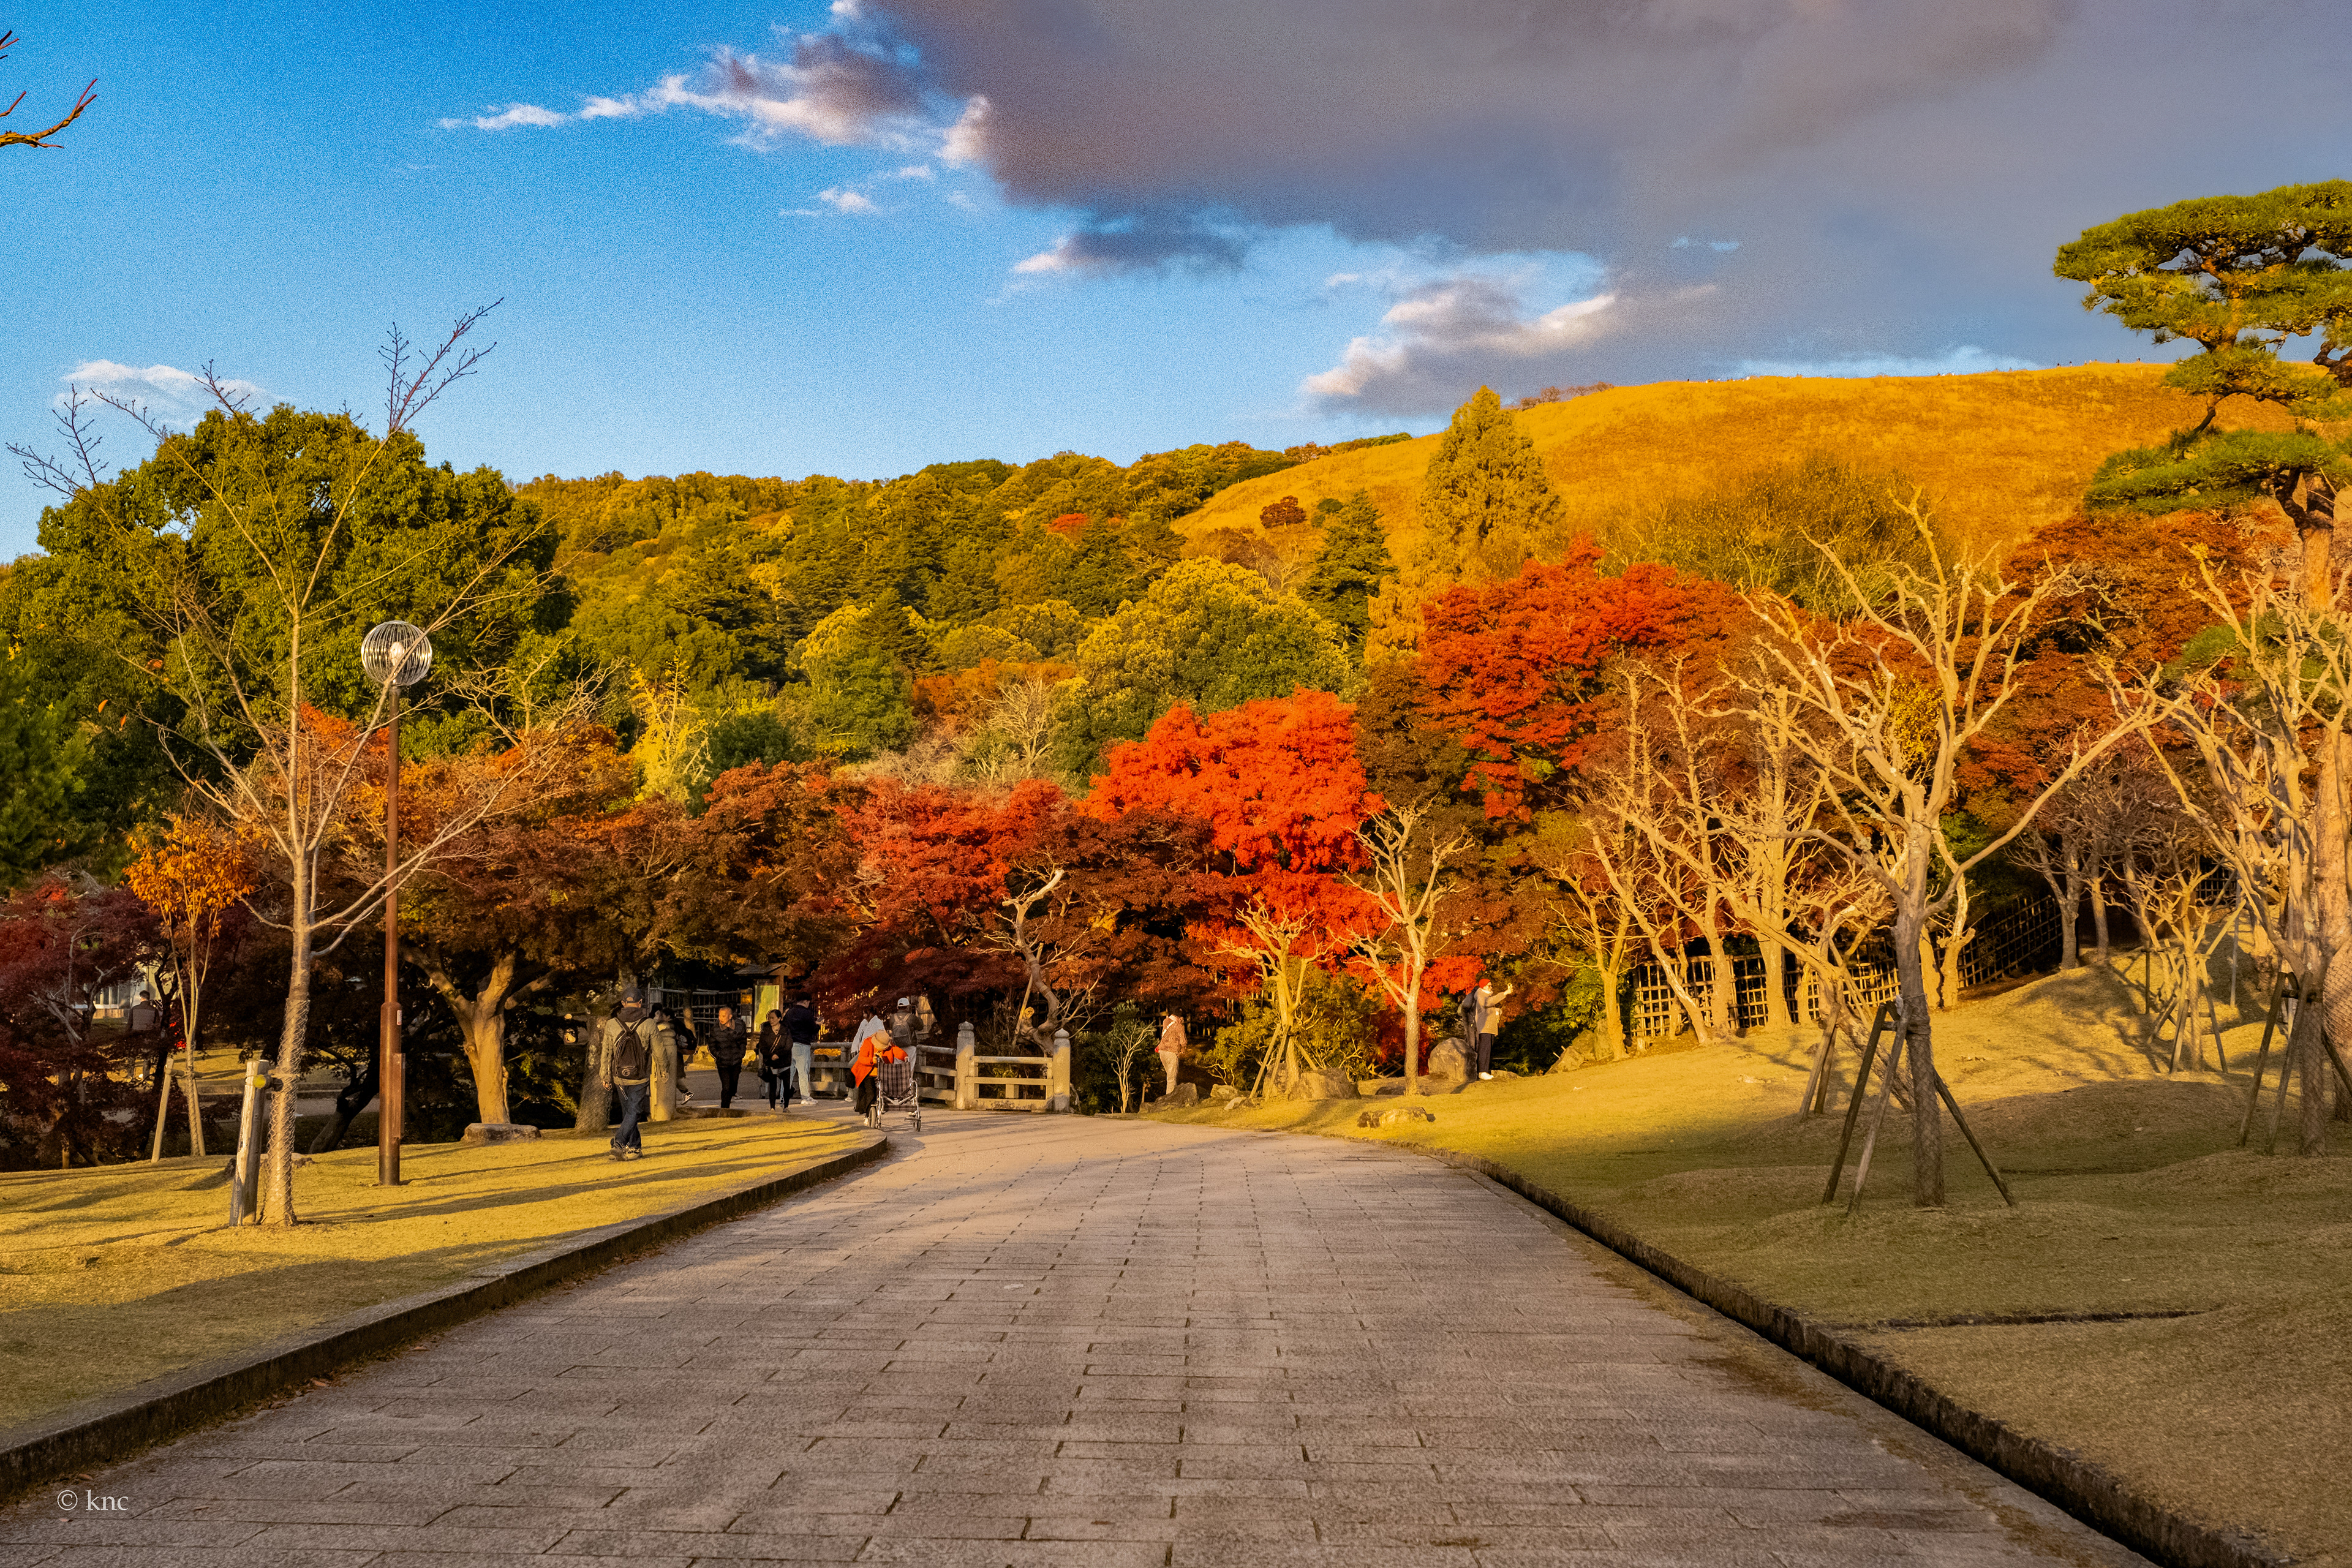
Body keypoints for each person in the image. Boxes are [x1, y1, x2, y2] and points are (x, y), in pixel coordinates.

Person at [601, 987, 676, 1161]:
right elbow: (659, 1051)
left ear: (622, 1003)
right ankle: (621, 1143)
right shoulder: (649, 1023)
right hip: (640, 1075)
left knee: (629, 1111)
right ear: (641, 1003)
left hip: (619, 1076)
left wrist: (605, 1075)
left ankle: (634, 1148)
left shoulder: (611, 1024)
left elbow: (606, 1052)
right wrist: (664, 1070)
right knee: (633, 1111)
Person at [1471, 976, 1513, 1080]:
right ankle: (1482, 1072)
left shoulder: (1486, 996)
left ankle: (1484, 1070)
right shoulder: (1481, 994)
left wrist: (1497, 1011)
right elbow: (1488, 1003)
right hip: (1485, 1027)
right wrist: (1505, 993)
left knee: (1488, 1049)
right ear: (1484, 986)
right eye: (1489, 985)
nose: (1491, 987)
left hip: (1489, 1027)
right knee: (1484, 1049)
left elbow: (1490, 1006)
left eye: (1491, 985)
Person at [850, 1010, 889, 1118]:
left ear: (871, 1012)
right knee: (865, 1086)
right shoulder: (864, 1024)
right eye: (863, 1012)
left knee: (873, 1090)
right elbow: (858, 1037)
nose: (864, 1014)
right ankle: (864, 1109)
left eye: (866, 1012)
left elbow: (885, 1041)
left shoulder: (877, 1022)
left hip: (876, 1063)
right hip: (864, 1059)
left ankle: (872, 1110)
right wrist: (855, 1049)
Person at [708, 1005, 748, 1110]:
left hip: (736, 1060)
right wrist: (718, 1055)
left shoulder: (739, 1026)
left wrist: (741, 1053)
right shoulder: (716, 1029)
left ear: (730, 1017)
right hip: (723, 1062)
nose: (721, 1018)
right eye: (720, 1016)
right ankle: (724, 1109)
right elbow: (711, 1045)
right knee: (726, 1087)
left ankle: (729, 1100)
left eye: (723, 1016)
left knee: (733, 1085)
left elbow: (743, 1040)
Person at [783, 993, 820, 1105]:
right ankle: (805, 1097)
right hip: (802, 1044)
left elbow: (784, 1028)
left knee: (789, 1072)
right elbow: (813, 1030)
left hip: (790, 1045)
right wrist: (818, 1024)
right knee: (803, 1072)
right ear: (806, 1001)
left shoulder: (789, 1013)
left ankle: (784, 1096)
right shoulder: (806, 1013)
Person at [756, 1010, 791, 1110]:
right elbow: (762, 1046)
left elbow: (789, 1045)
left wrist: (778, 1054)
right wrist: (771, 1055)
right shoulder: (766, 1031)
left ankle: (786, 1106)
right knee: (773, 1085)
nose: (771, 1020)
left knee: (786, 1085)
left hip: (784, 1060)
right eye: (769, 1018)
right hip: (771, 1061)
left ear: (779, 1019)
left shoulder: (786, 1030)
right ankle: (772, 1107)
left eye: (773, 1018)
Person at [1156, 1012, 1186, 1096]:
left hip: (1162, 1052)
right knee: (1171, 1078)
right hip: (1172, 1053)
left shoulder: (1166, 1022)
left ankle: (1173, 1095)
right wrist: (1183, 1048)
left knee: (1170, 1076)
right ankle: (1170, 1099)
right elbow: (1183, 1041)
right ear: (1180, 1018)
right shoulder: (1179, 1026)